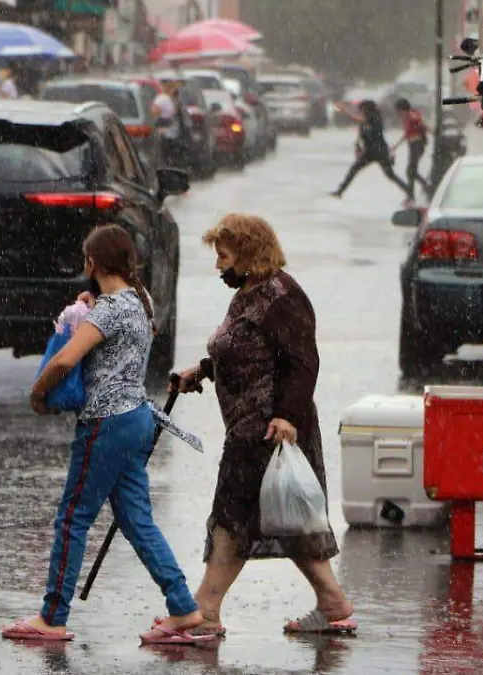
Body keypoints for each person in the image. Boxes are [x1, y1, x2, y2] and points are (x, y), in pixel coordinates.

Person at [3, 225, 215, 646]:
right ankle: (184, 607)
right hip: (137, 418)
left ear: (92, 263)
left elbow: (66, 359)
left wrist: (37, 392)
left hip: (104, 424)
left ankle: (52, 616)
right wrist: (89, 304)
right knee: (137, 521)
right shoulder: (139, 300)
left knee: (73, 518)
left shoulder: (109, 311)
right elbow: (110, 327)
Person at [158, 213, 357, 637]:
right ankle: (332, 600)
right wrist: (204, 370)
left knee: (233, 518)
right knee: (284, 518)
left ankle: (206, 610)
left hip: (266, 427)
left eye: (224, 256)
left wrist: (285, 416)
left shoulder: (282, 295)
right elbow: (243, 348)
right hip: (250, 424)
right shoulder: (249, 292)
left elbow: (304, 363)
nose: (218, 267)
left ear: (249, 254)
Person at [330, 100, 410, 200]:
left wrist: (345, 110)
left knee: (389, 175)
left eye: (361, 109)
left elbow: (359, 119)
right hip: (370, 151)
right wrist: (358, 146)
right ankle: (340, 191)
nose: (360, 111)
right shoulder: (366, 119)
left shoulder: (374, 117)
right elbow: (362, 134)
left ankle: (409, 191)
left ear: (366, 109)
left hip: (378, 150)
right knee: (355, 170)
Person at [390, 98, 430, 205]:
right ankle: (425, 188)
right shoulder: (406, 118)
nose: (398, 113)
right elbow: (407, 134)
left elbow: (423, 125)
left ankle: (414, 194)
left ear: (403, 109)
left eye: (399, 110)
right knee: (412, 171)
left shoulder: (412, 116)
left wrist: (433, 131)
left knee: (410, 171)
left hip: (417, 145)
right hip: (413, 145)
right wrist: (396, 146)